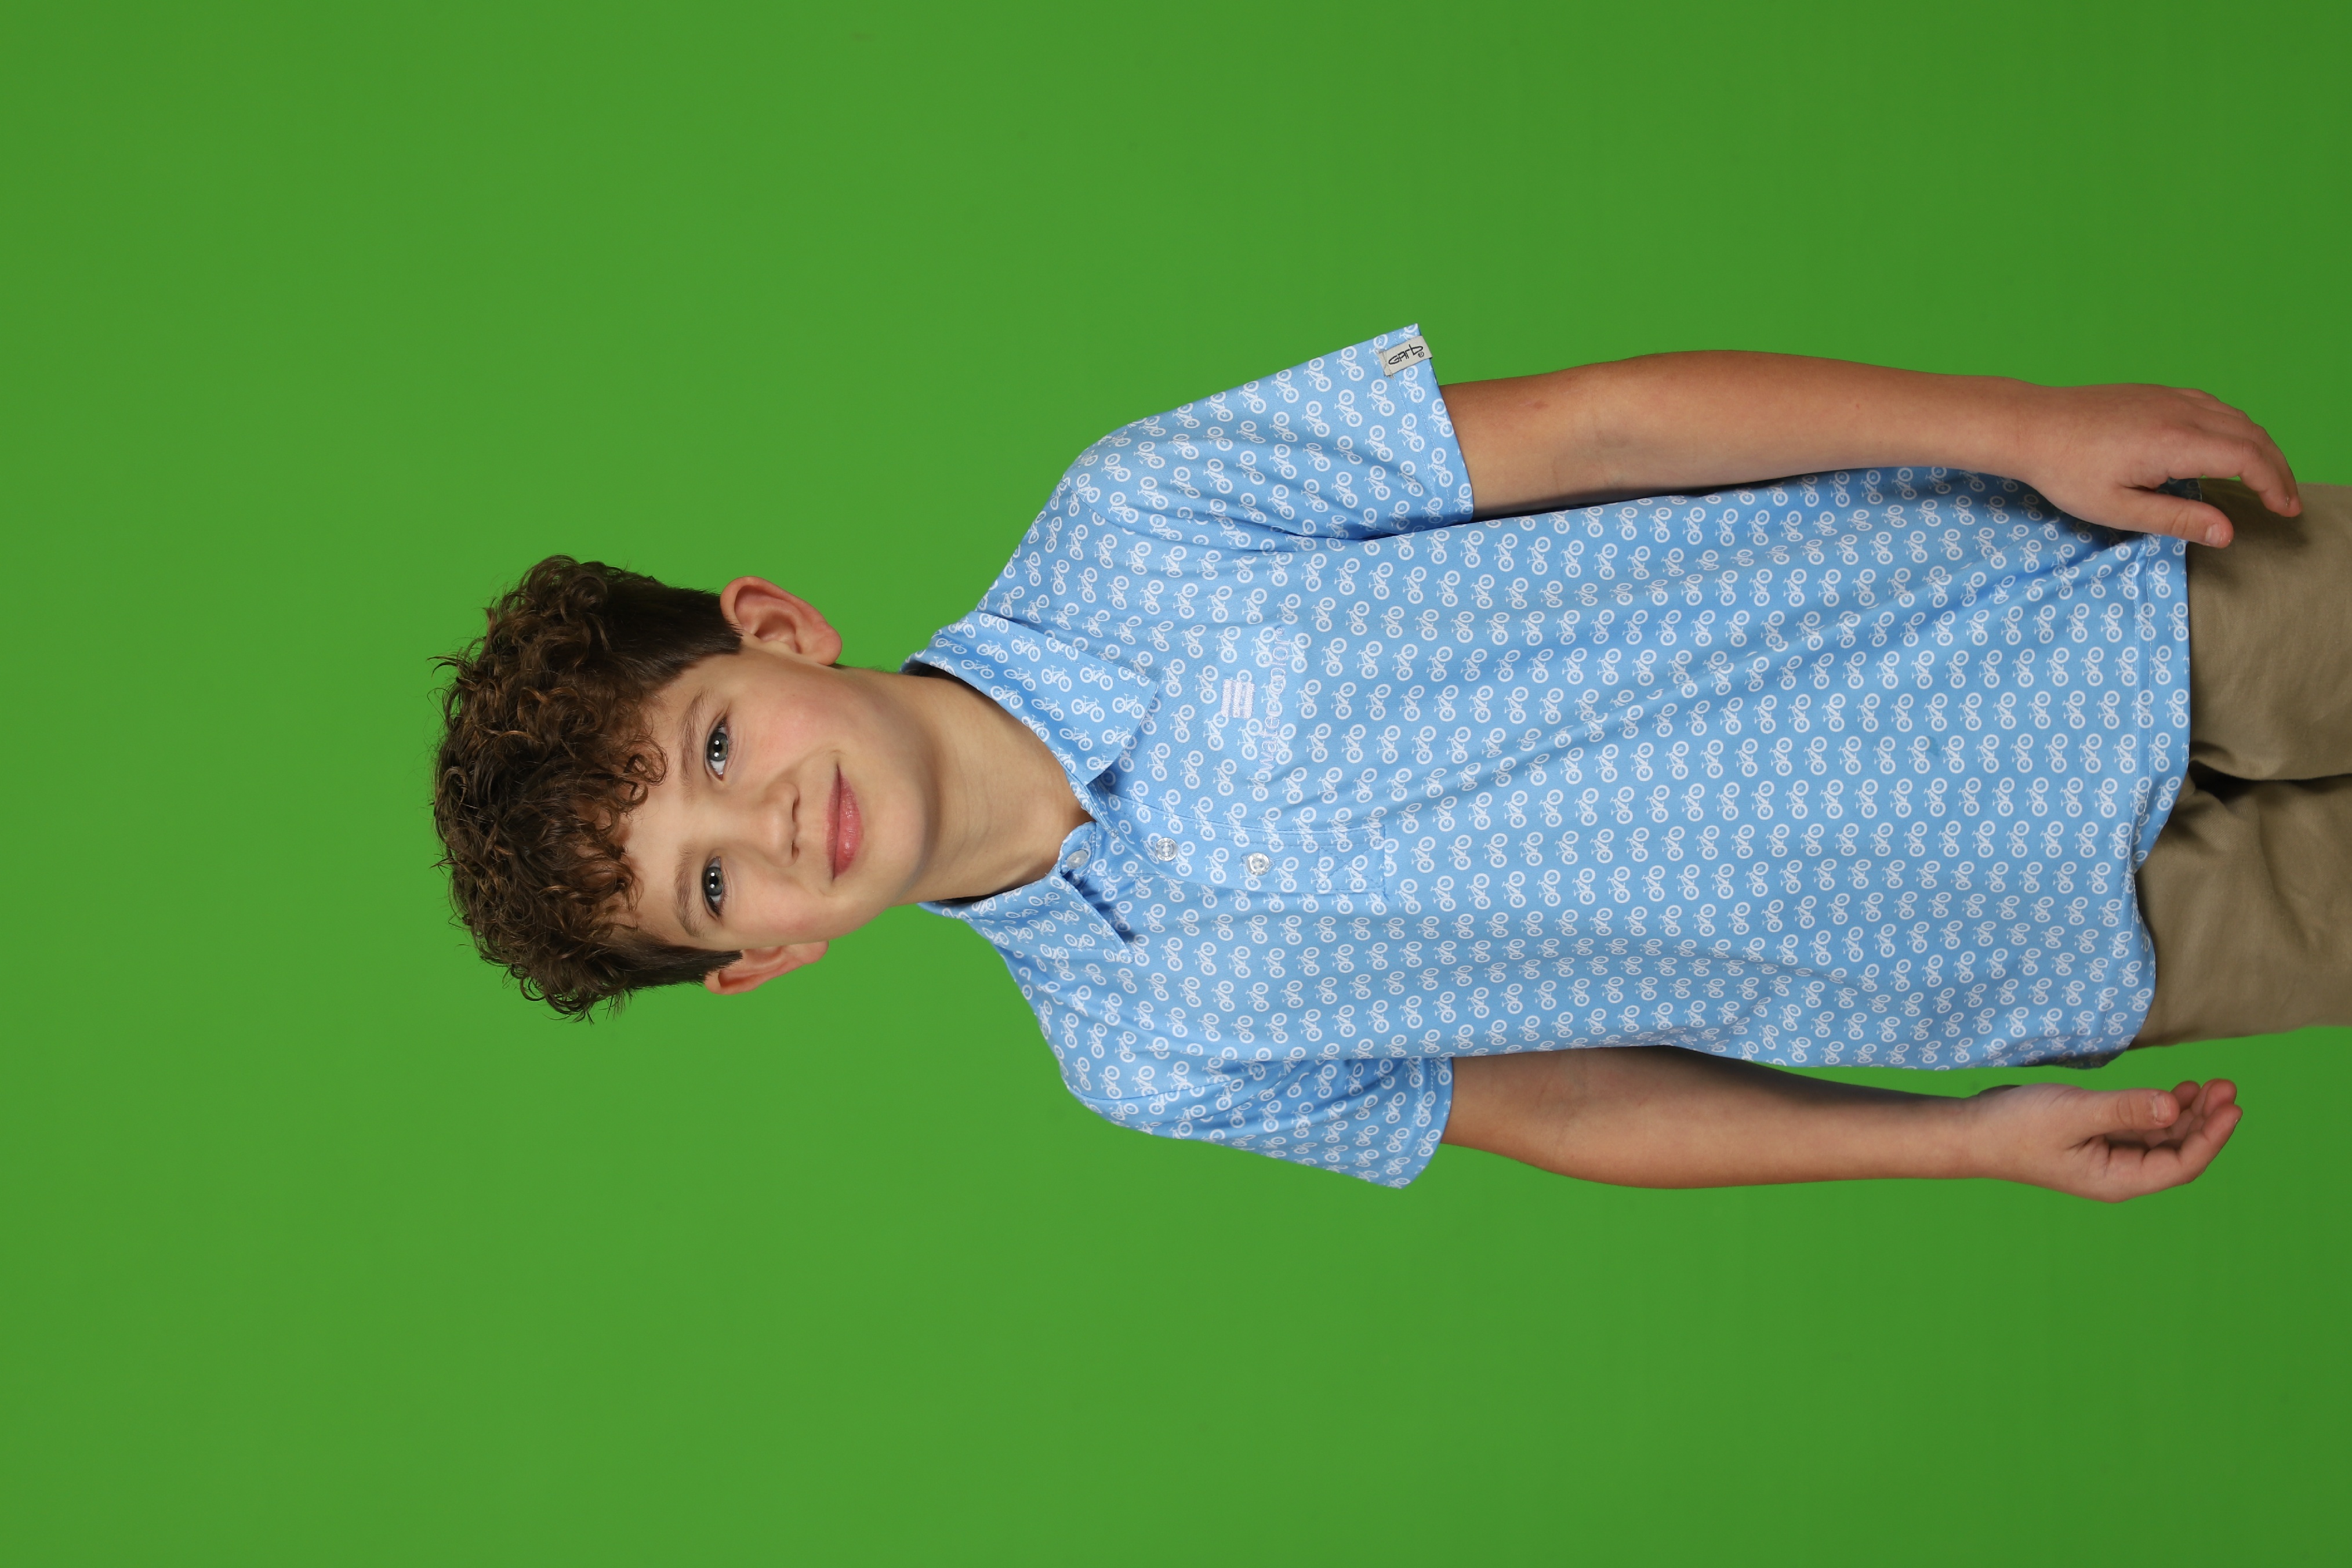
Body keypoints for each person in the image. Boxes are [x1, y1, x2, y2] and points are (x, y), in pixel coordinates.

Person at [433, 326, 2351, 1202]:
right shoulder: (1146, 1055)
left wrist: (2019, 429)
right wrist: (1959, 1142)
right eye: (712, 883)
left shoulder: (1139, 514)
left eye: (714, 745)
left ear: (775, 629)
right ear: (764, 960)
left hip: (2078, 613)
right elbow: (1574, 1107)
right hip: (2057, 948)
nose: (768, 822)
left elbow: (1604, 429)